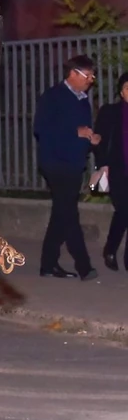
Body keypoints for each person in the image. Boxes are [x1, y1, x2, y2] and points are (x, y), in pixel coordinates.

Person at [33, 54, 101, 280]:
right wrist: (76, 133)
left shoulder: (82, 100)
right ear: (73, 73)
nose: (91, 80)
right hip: (55, 163)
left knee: (61, 214)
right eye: (88, 75)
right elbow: (41, 129)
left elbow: (83, 130)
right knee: (69, 214)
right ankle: (84, 266)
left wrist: (90, 138)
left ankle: (48, 265)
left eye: (92, 76)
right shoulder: (53, 96)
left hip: (74, 164)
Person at [93, 71, 128, 271]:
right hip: (117, 170)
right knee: (123, 210)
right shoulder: (110, 111)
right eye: (127, 87)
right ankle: (111, 248)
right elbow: (100, 141)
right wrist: (103, 164)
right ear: (121, 92)